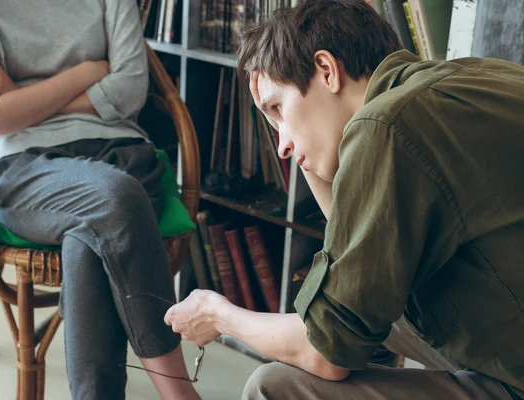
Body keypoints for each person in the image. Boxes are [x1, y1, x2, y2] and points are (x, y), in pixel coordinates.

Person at [164, 0, 524, 399]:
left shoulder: (385, 127)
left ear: (327, 70)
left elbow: (325, 354)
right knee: (370, 303)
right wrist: (297, 136)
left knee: (275, 387)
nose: (280, 146)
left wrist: (219, 315)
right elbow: (355, 263)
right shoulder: (463, 79)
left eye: (278, 109)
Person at [0, 0, 201, 399]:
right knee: (114, 198)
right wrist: (86, 73)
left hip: (122, 152)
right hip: (23, 166)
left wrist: (23, 97)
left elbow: (130, 90)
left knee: (88, 243)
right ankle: (180, 394)